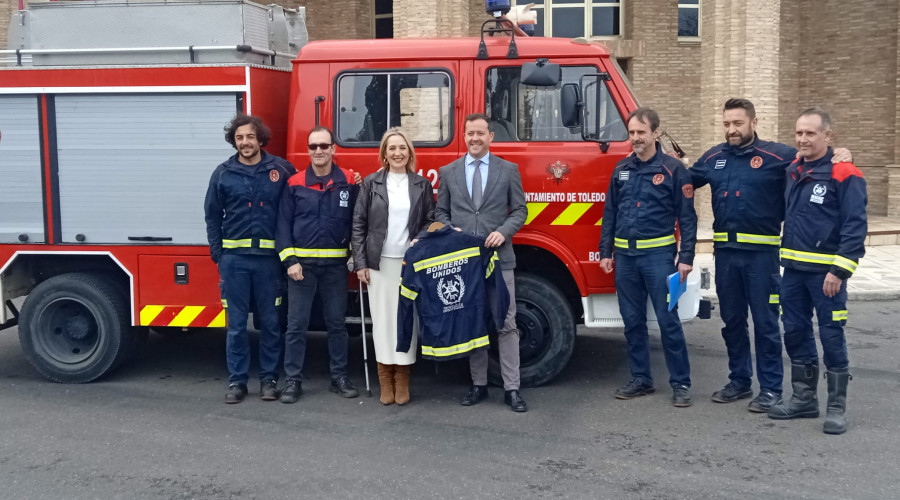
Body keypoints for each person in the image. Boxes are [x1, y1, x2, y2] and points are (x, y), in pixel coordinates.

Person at [690, 99, 852, 413]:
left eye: (737, 123)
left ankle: (771, 389)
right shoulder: (714, 156)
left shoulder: (779, 155)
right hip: (725, 255)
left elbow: (814, 157)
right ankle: (739, 381)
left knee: (766, 323)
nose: (731, 130)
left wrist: (841, 153)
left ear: (753, 122)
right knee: (732, 321)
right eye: (726, 124)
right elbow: (684, 179)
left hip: (762, 257)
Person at [768, 109, 866, 435]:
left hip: (826, 275)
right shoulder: (793, 169)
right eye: (799, 133)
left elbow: (855, 228)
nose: (803, 139)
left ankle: (836, 407)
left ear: (828, 136)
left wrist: (839, 271)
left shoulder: (844, 172)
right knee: (794, 331)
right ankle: (804, 398)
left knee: (831, 335)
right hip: (793, 272)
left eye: (810, 133)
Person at [598, 107, 697, 408]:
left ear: (655, 133)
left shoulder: (674, 169)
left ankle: (680, 383)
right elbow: (610, 213)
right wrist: (605, 251)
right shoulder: (621, 169)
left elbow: (688, 217)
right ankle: (641, 379)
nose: (636, 138)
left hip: (659, 258)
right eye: (631, 133)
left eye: (641, 132)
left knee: (668, 322)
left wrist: (687, 256)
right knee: (632, 322)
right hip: (626, 259)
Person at [434, 113, 528, 412]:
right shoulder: (449, 171)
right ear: (464, 136)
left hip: (501, 260)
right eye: (470, 133)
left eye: (480, 133)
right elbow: (441, 214)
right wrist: (452, 231)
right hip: (466, 263)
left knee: (507, 322)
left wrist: (503, 232)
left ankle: (512, 389)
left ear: (491, 137)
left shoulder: (508, 169)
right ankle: (478, 385)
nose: (474, 138)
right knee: (473, 322)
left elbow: (520, 210)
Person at [204, 114, 295, 404]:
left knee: (270, 324)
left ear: (260, 140)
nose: (245, 142)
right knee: (236, 326)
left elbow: (302, 196)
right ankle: (237, 382)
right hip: (235, 263)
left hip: (270, 262)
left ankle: (269, 380)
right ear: (234, 140)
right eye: (240, 137)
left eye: (250, 137)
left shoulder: (280, 169)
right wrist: (218, 254)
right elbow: (212, 215)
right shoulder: (223, 173)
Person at [275, 126, 360, 403]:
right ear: (308, 150)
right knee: (296, 325)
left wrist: (355, 257)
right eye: (313, 146)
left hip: (335, 269)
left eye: (324, 145)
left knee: (337, 324)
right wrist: (289, 261)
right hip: (302, 269)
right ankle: (292, 382)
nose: (319, 151)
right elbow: (282, 226)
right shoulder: (295, 183)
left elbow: (359, 223)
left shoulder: (349, 181)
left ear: (334, 149)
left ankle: (339, 377)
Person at [351, 128, 434, 406]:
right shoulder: (371, 184)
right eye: (392, 148)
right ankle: (385, 377)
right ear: (384, 153)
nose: (397, 153)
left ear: (409, 152)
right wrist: (361, 262)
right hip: (378, 263)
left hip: (408, 264)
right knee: (383, 322)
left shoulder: (421, 185)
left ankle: (403, 378)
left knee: (406, 322)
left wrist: (417, 241)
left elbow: (428, 221)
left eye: (402, 148)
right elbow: (359, 224)